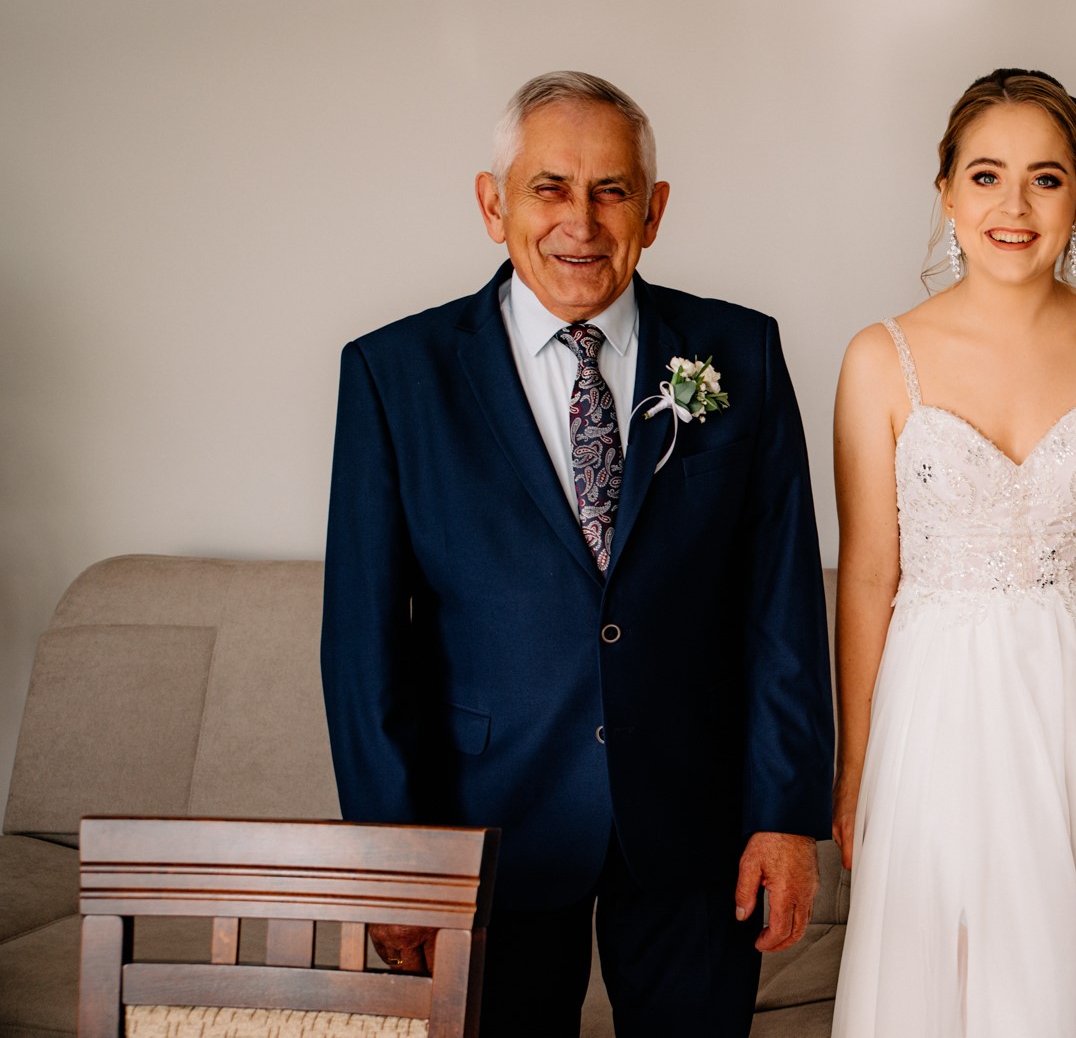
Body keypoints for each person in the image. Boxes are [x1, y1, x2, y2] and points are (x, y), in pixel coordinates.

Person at [320, 71, 833, 1038]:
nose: (581, 223)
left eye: (611, 191)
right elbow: (363, 645)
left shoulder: (743, 353)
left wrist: (786, 813)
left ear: (654, 210)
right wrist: (393, 858)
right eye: (549, 188)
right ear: (493, 205)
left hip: (697, 825)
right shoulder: (393, 376)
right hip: (487, 829)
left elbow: (783, 605)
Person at [831, 69, 1076, 1036]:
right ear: (946, 192)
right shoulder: (878, 358)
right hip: (943, 700)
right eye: (986, 176)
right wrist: (854, 764)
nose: (1013, 207)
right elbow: (869, 575)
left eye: (1045, 178)